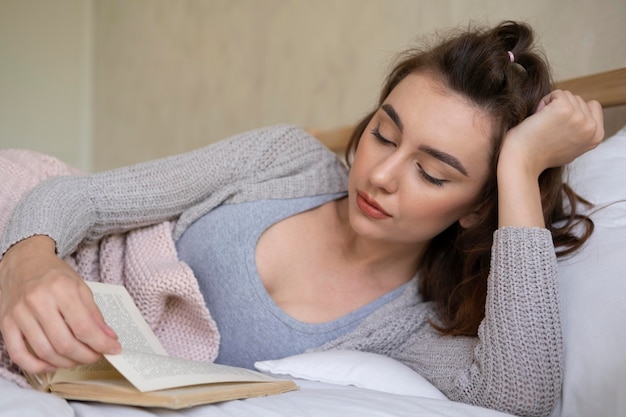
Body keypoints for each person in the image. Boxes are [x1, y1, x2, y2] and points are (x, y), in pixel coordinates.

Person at [0, 20, 603, 417]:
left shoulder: (410, 329)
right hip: (36, 238)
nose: (381, 174)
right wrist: (27, 262)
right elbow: (89, 198)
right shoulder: (285, 157)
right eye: (383, 134)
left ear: (476, 208)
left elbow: (521, 397)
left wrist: (521, 168)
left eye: (433, 173)